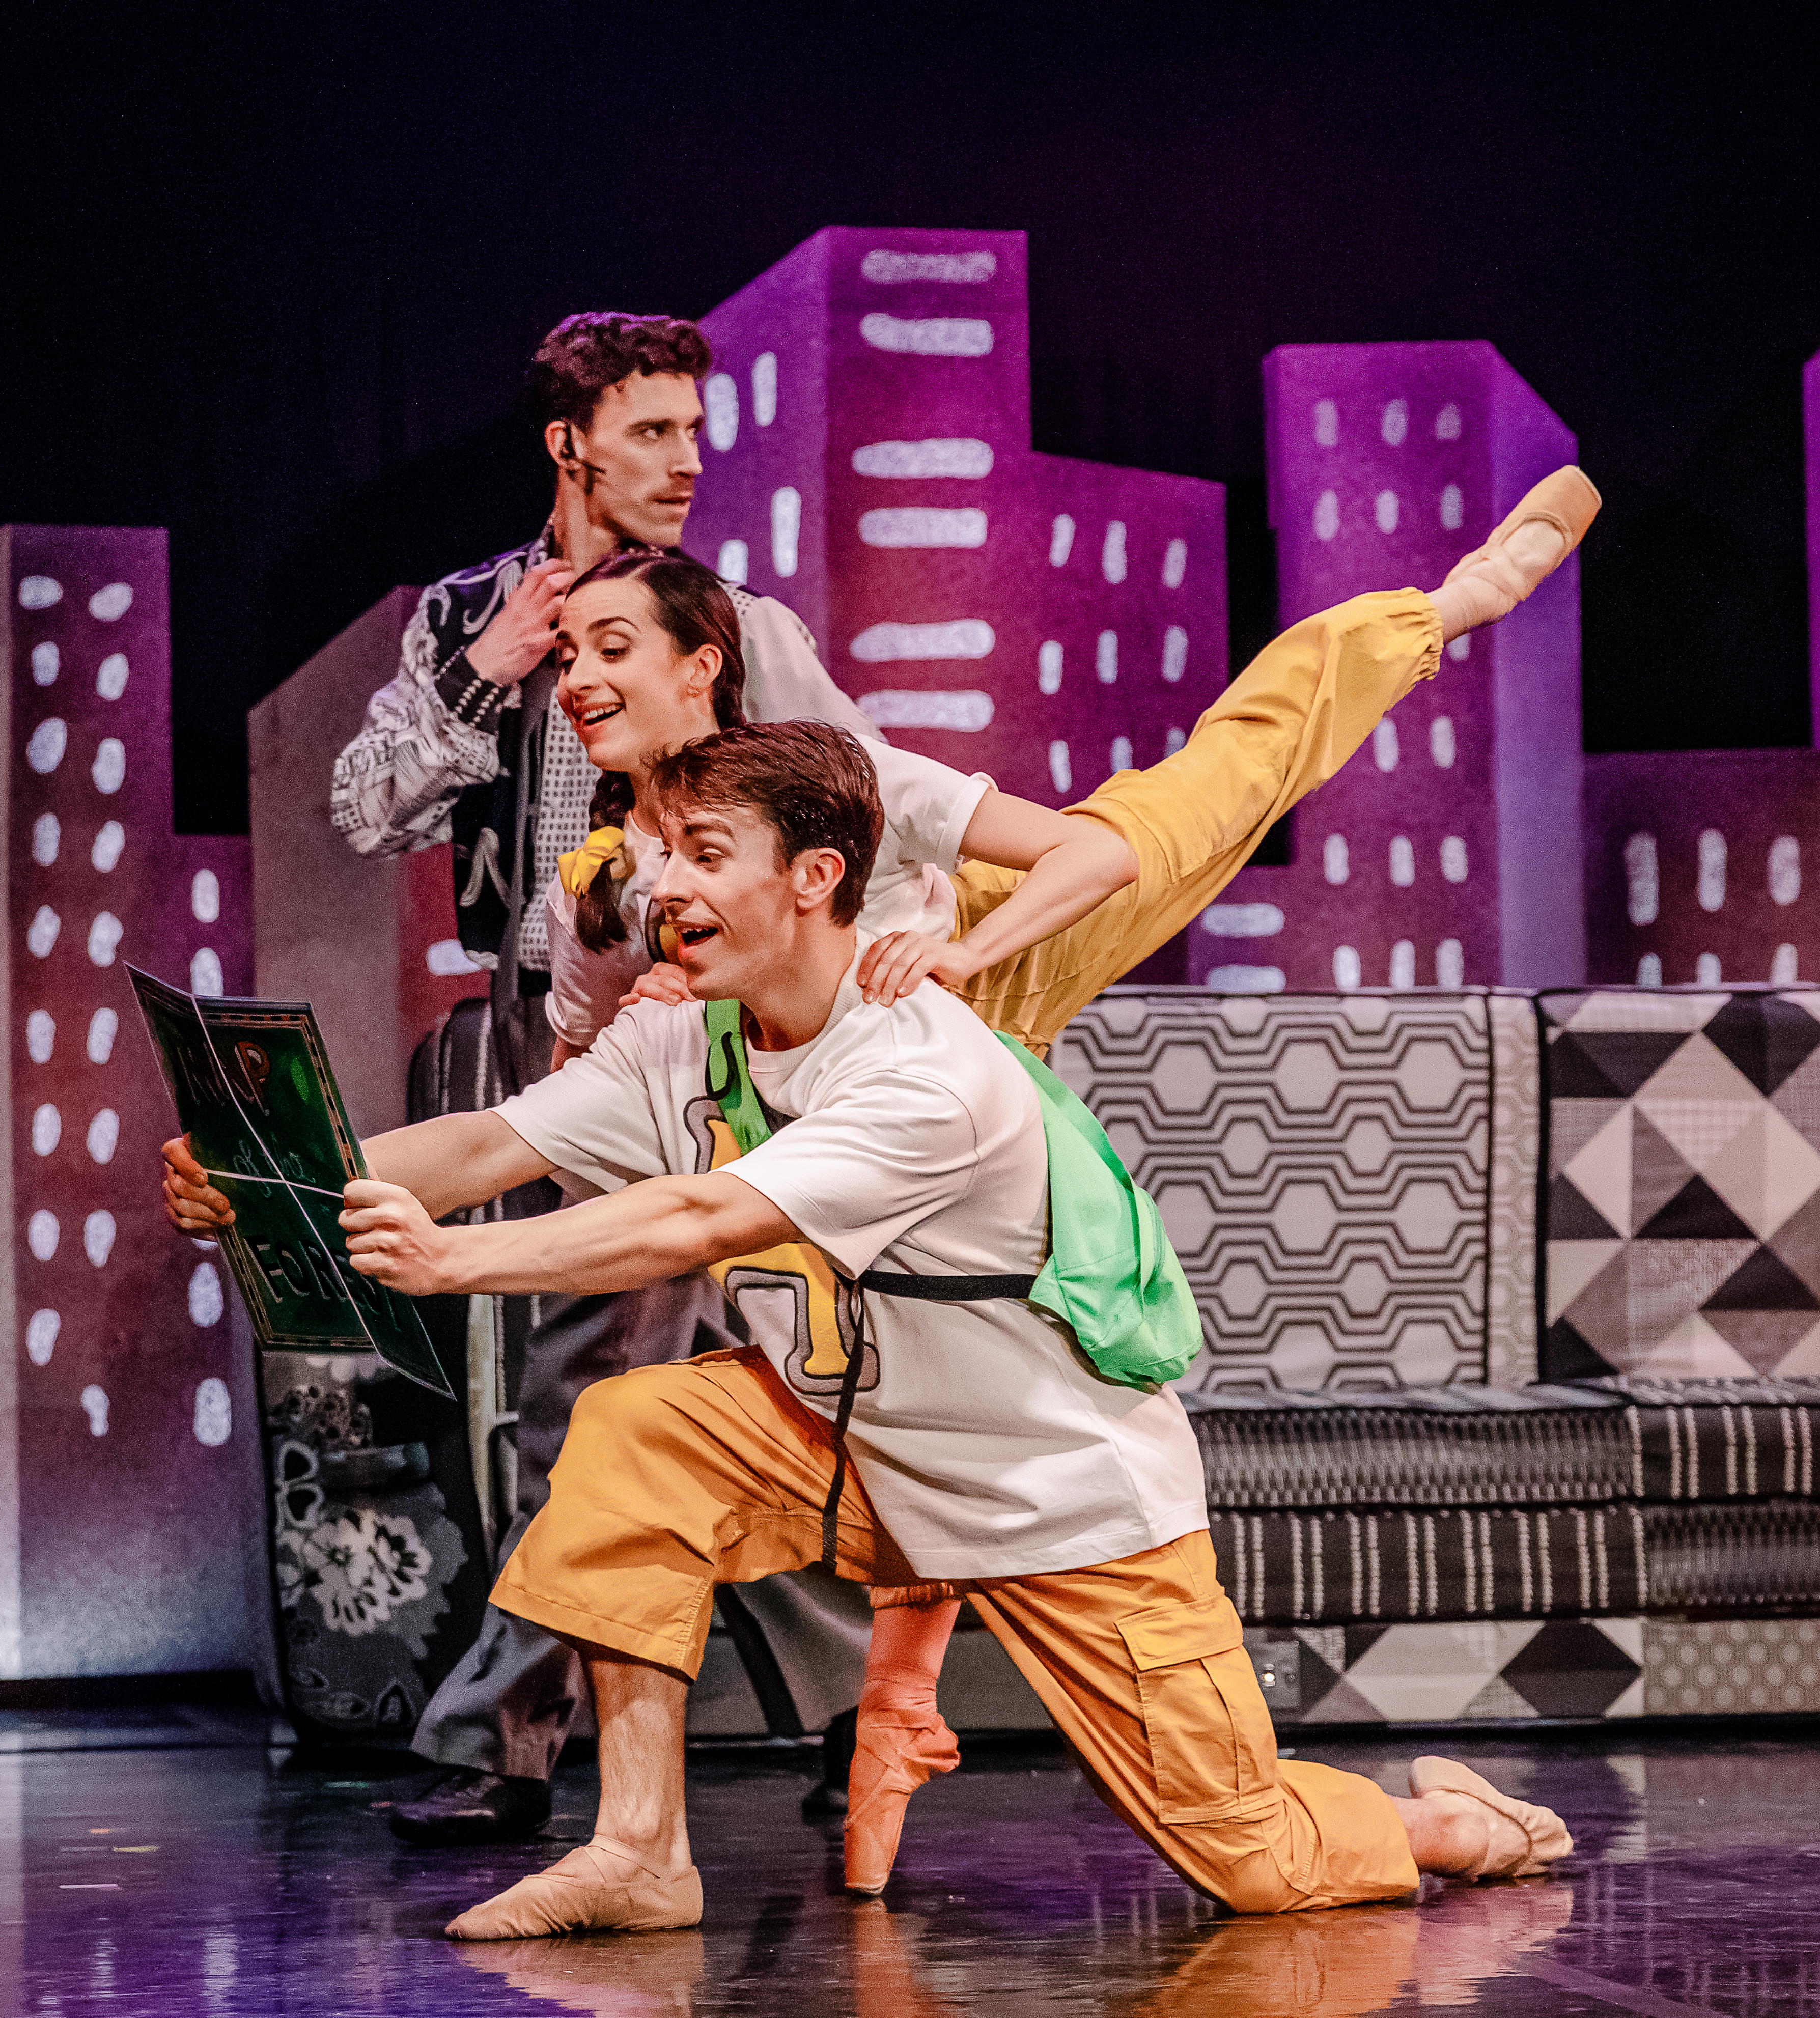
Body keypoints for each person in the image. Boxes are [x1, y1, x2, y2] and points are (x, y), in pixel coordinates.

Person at [174, 720, 1578, 1938]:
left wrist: (444, 1272)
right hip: (847, 1443)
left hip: (1052, 1487)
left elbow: (696, 1221)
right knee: (638, 1430)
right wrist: (264, 1175)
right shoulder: (686, 1037)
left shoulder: (923, 1071)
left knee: (1256, 1861)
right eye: (662, 849)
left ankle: (1452, 1823)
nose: (665, 883)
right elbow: (490, 1138)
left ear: (814, 875)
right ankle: (638, 1849)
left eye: (704, 850)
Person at [526, 477, 1600, 1889]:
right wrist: (649, 990)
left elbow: (1084, 849)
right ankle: (861, 1720)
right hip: (820, 1099)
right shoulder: (603, 868)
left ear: (698, 663)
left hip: (970, 981)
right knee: (879, 1347)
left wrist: (973, 958)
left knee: (1202, 791)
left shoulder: (835, 780)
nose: (582, 677)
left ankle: (1440, 605)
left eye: (614, 647)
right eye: (568, 655)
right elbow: (584, 1066)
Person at [327, 311, 881, 1849]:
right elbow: (363, 810)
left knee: (602, 1392)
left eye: (695, 433)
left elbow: (860, 796)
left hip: (686, 1025)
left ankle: (497, 1737)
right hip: (527, 1020)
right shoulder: (466, 617)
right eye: (650, 432)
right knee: (662, 1391)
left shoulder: (736, 623)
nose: (685, 462)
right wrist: (481, 678)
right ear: (567, 443)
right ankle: (864, 1701)